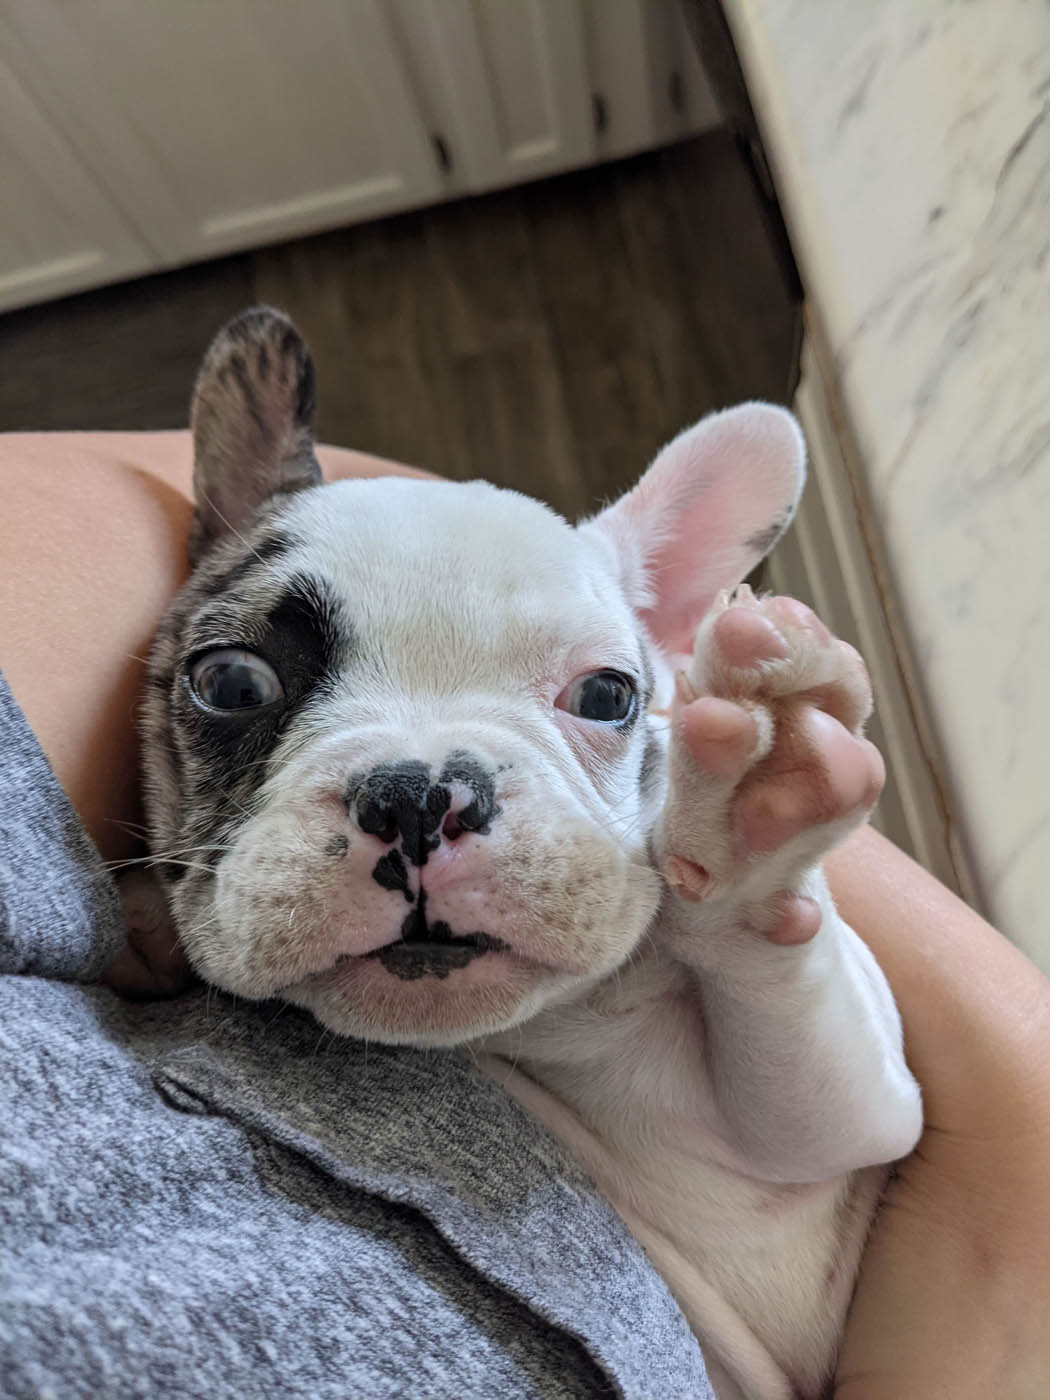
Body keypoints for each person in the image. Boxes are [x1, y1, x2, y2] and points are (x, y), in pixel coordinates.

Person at [2, 429, 1049, 1399]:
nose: (423, 815)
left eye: (595, 699)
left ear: (670, 649)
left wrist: (753, 912)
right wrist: (190, 882)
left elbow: (858, 1126)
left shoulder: (679, 885)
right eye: (238, 685)